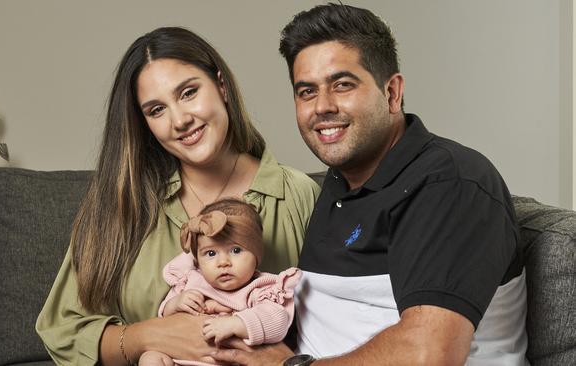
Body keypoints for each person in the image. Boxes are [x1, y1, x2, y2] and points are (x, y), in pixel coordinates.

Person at [212, 4, 528, 366]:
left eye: (342, 85)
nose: (322, 107)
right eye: (306, 92)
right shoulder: (336, 184)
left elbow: (429, 355)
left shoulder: (449, 181)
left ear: (392, 92)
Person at [35, 27, 320, 365]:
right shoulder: (119, 204)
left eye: (188, 93)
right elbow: (63, 329)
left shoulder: (298, 195)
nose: (180, 120)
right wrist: (152, 335)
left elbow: (343, 325)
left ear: (222, 87)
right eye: (157, 110)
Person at [140, 198, 301, 366]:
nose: (223, 262)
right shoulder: (192, 280)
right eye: (210, 253)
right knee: (151, 358)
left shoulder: (259, 289)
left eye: (235, 250)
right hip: (181, 359)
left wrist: (235, 324)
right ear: (197, 259)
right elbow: (164, 319)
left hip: (227, 360)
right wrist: (175, 304)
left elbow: (277, 320)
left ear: (256, 254)